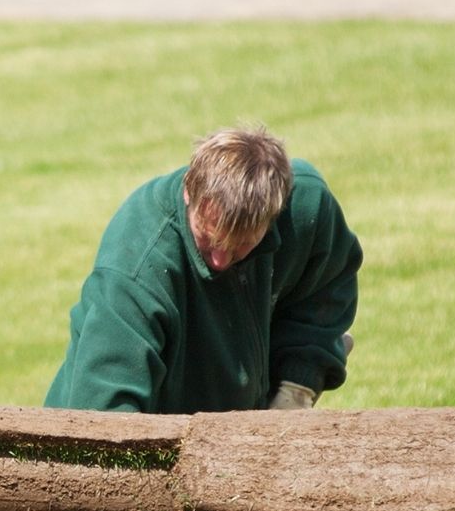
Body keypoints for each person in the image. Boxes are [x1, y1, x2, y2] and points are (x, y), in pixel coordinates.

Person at [43, 126, 362, 415]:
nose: (221, 260)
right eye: (208, 240)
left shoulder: (308, 207)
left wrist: (297, 387)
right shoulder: (138, 268)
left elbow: (324, 296)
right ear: (188, 191)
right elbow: (104, 417)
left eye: (241, 246)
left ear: (275, 213)